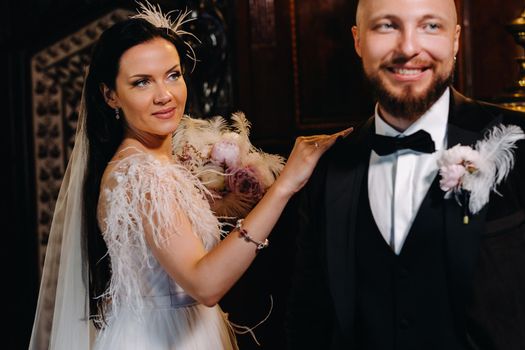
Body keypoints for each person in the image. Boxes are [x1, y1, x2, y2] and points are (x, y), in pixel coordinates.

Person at [28, 3, 352, 350]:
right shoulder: (142, 174)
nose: (164, 95)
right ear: (110, 96)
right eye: (142, 82)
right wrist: (286, 184)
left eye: (173, 74)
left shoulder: (147, 162)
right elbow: (205, 283)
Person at [286, 0, 525, 349]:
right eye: (386, 26)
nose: (409, 48)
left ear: (455, 39)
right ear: (357, 40)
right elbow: (309, 322)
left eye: (430, 26)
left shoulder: (518, 141)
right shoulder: (326, 167)